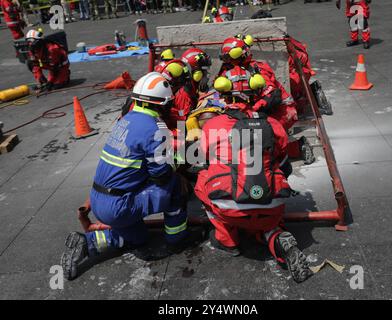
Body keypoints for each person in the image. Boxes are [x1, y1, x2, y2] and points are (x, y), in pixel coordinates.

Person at [61, 72, 201, 280]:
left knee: (138, 239)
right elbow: (161, 175)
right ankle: (178, 239)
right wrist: (182, 161)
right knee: (175, 186)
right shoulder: (155, 128)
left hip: (100, 200)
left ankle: (86, 243)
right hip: (120, 206)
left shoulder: (126, 120)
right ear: (162, 104)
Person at [194, 65, 312, 283]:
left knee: (203, 180)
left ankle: (227, 240)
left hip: (230, 207)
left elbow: (204, 159)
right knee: (270, 194)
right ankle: (275, 235)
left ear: (224, 97)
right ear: (256, 94)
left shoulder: (213, 125)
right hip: (271, 204)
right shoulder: (273, 124)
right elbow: (284, 163)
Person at [218, 35, 315, 164]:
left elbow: (273, 96)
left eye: (230, 58)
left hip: (281, 110)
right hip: (250, 111)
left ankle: (297, 147)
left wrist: (252, 111)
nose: (228, 61)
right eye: (226, 58)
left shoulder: (258, 69)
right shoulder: (227, 71)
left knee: (266, 137)